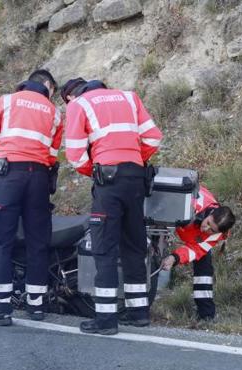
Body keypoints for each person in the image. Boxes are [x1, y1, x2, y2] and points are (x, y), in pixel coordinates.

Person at [62, 78, 163, 335]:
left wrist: (96, 171)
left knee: (104, 246)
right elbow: (153, 137)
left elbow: (74, 153)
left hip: (109, 180)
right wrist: (133, 162)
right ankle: (139, 312)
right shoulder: (129, 97)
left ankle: (106, 318)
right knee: (133, 244)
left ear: (74, 95)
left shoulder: (79, 104)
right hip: (136, 177)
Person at [0, 69, 63, 326]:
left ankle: (1, 307)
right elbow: (52, 154)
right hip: (38, 177)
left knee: (1, 240)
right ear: (46, 85)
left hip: (9, 175)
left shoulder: (6, 101)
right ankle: (35, 305)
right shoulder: (54, 112)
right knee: (38, 241)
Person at [160, 186, 236, 321]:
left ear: (219, 232)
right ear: (211, 213)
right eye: (208, 223)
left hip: (190, 236)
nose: (205, 228)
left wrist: (174, 258)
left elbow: (195, 250)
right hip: (168, 215)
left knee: (204, 267)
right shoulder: (195, 203)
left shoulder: (218, 235)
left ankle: (206, 315)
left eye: (211, 230)